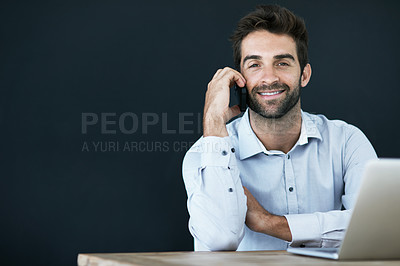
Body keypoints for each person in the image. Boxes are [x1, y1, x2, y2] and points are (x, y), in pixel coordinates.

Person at [182, 5, 377, 251]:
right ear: (238, 80)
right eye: (254, 65)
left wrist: (269, 222)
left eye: (282, 63)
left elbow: (375, 231)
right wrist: (213, 121)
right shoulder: (204, 154)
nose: (269, 78)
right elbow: (221, 239)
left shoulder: (347, 141)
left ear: (304, 75)